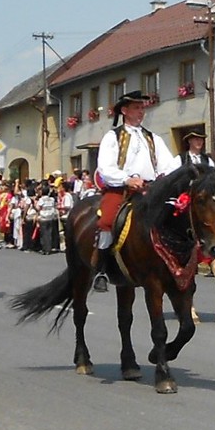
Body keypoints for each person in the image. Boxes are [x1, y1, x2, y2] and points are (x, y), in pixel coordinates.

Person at [92, 89, 175, 292]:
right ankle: (102, 269)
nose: (141, 112)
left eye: (142, 108)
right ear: (125, 111)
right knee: (107, 220)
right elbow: (105, 168)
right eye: (136, 108)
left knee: (175, 216)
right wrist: (127, 180)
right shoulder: (113, 137)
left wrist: (164, 180)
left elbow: (169, 164)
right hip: (122, 189)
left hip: (151, 190)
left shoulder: (153, 138)